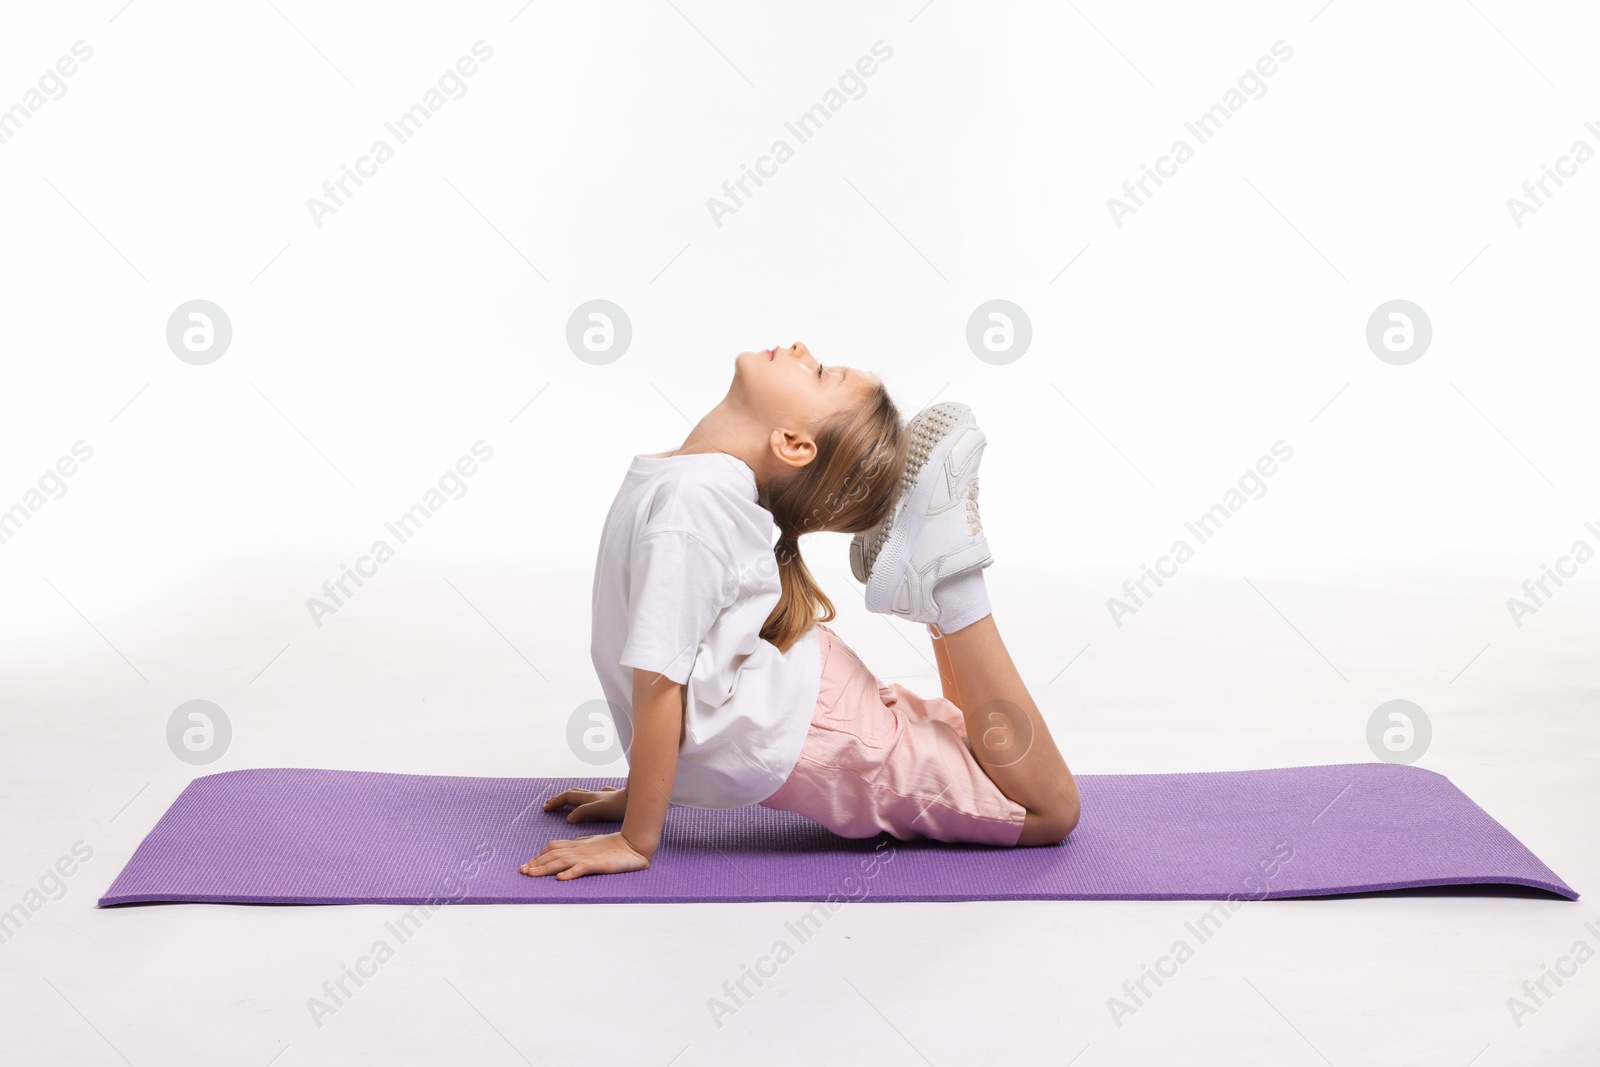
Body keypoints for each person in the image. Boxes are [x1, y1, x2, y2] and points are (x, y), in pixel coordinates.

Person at [520, 342, 1081, 881]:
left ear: (792, 443)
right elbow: (676, 659)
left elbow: (661, 679)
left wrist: (635, 838)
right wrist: (642, 791)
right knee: (981, 749)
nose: (800, 346)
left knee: (1048, 811)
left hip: (826, 733)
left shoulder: (694, 496)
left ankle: (951, 582)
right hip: (814, 707)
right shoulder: (689, 483)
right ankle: (930, 573)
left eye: (817, 373)